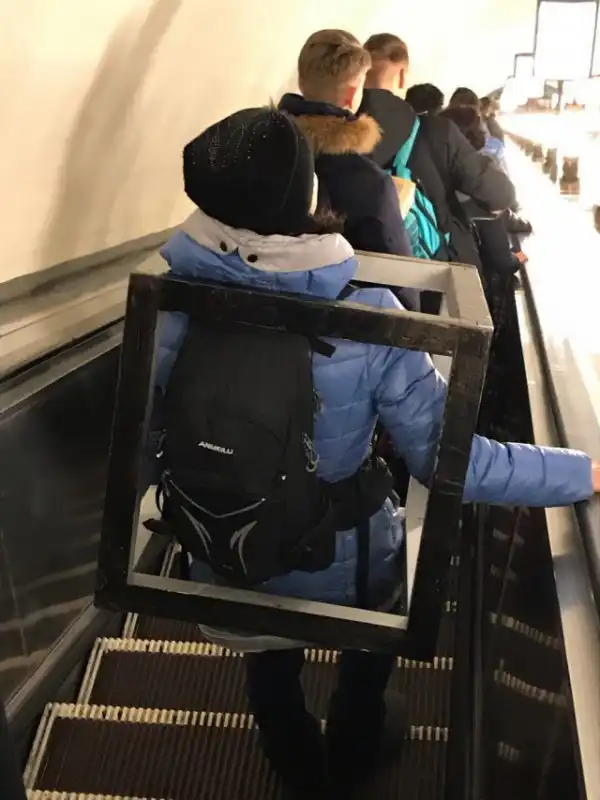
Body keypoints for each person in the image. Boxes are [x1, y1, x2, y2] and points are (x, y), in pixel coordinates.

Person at [153, 105, 600, 800]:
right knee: (368, 653)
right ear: (308, 198)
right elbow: (453, 463)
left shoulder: (169, 303)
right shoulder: (368, 314)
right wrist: (580, 471)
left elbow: (155, 430)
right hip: (346, 569)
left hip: (229, 551)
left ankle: (296, 765)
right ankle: (356, 743)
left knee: (266, 662)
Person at [277, 29, 418, 311]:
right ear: (353, 95)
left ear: (302, 80)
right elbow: (401, 287)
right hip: (327, 325)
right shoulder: (371, 184)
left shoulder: (258, 149)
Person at [359, 33, 515, 270]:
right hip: (436, 272)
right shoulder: (437, 131)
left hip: (362, 272)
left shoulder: (337, 131)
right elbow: (500, 194)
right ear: (402, 76)